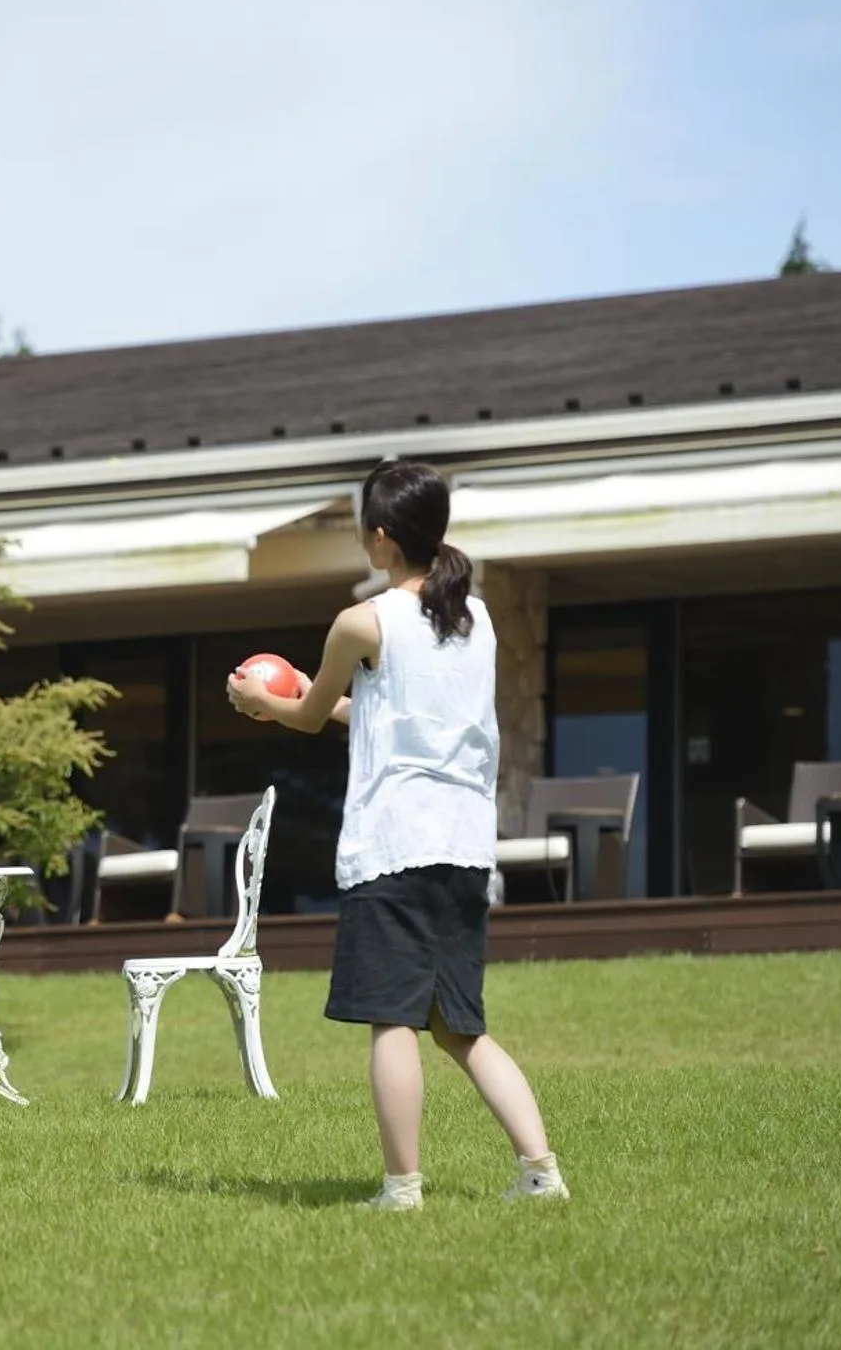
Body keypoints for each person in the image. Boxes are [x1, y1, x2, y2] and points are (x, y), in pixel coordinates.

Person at [226, 458, 570, 1210]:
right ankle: (541, 1173)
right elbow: (395, 718)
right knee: (462, 1029)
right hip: (465, 847)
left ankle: (402, 1188)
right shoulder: (477, 620)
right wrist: (296, 704)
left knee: (394, 1022)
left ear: (381, 538)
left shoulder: (363, 621)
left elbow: (311, 713)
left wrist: (262, 698)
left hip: (394, 849)